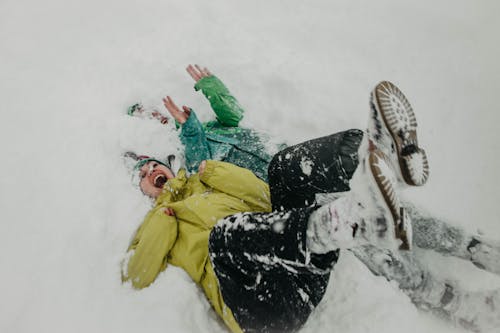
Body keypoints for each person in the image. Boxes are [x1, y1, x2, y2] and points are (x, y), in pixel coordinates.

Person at [122, 81, 500, 333]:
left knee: (364, 205)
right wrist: (166, 213)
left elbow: (259, 187)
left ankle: (379, 156)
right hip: (259, 281)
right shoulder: (170, 199)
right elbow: (137, 273)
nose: (153, 169)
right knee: (230, 234)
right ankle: (455, 301)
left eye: (154, 163)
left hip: (292, 216)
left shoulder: (205, 170)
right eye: (145, 172)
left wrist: (210, 98)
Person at [128, 64, 287, 181]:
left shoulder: (213, 132)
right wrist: (186, 124)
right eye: (163, 120)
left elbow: (234, 117)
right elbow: (200, 164)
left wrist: (213, 88)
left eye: (163, 119)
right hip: (275, 179)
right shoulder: (200, 161)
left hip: (281, 153)